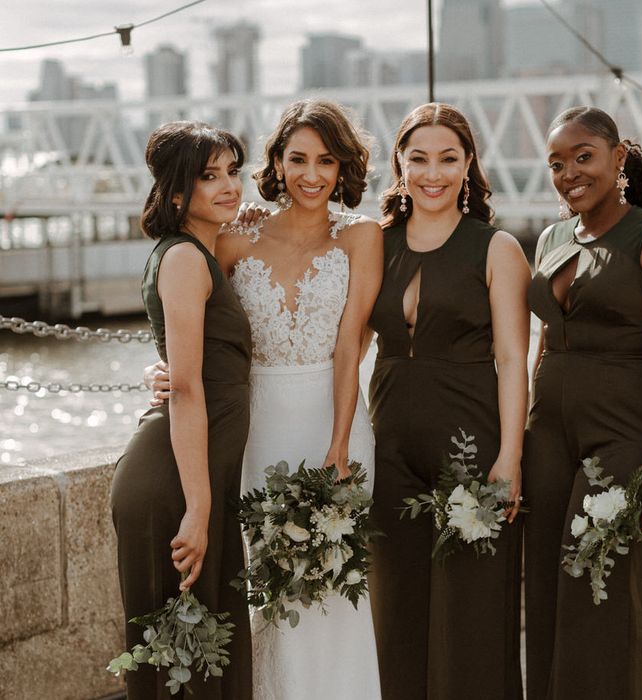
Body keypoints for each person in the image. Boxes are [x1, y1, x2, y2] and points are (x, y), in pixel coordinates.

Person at [147, 99, 384, 699]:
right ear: (276, 162)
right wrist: (166, 372)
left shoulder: (361, 237)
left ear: (342, 167)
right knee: (271, 594)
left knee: (334, 590)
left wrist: (338, 444)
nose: (311, 174)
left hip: (337, 423)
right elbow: (206, 334)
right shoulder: (234, 242)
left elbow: (350, 346)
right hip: (258, 430)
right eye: (297, 158)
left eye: (326, 160)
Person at [523, 106, 642, 700]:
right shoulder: (550, 238)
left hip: (621, 436)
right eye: (556, 163)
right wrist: (523, 433)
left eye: (583, 156)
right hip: (547, 437)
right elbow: (544, 344)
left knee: (602, 590)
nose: (569, 172)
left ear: (618, 157)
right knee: (548, 590)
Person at [366, 103, 530, 700]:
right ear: (400, 166)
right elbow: (337, 343)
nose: (432, 173)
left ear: (468, 166)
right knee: (396, 604)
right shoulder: (373, 245)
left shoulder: (497, 248)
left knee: (473, 610)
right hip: (388, 447)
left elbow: (513, 359)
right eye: (418, 159)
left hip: (472, 444)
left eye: (448, 159)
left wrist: (510, 457)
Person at [111, 121, 253, 699]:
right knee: (179, 664)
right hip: (175, 480)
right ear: (175, 193)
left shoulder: (195, 252)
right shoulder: (186, 260)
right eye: (209, 176)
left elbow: (182, 361)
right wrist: (198, 508)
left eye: (233, 172)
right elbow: (189, 388)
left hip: (194, 469)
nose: (229, 186)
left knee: (198, 655)